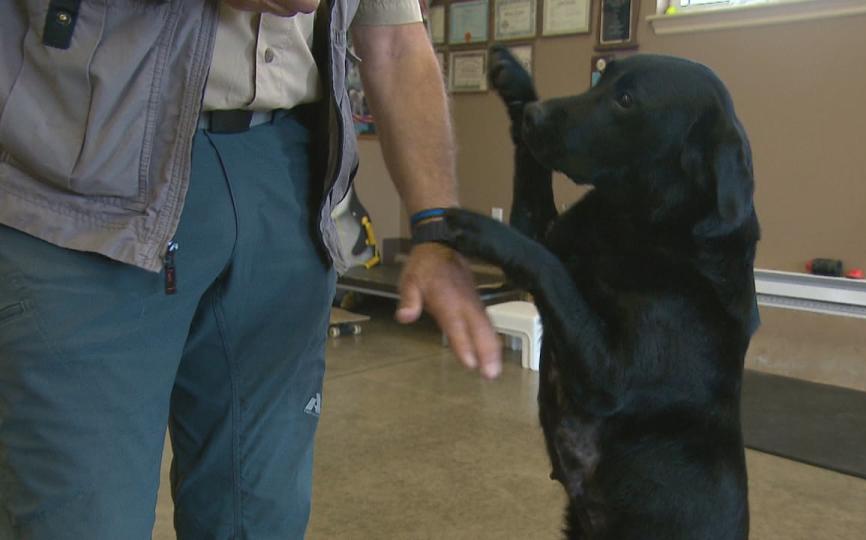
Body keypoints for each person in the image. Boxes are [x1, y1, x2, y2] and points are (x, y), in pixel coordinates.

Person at [0, 0, 501, 537]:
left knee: (259, 513)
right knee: (80, 517)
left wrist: (434, 227)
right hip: (84, 172)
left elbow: (396, 42)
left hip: (284, 175)